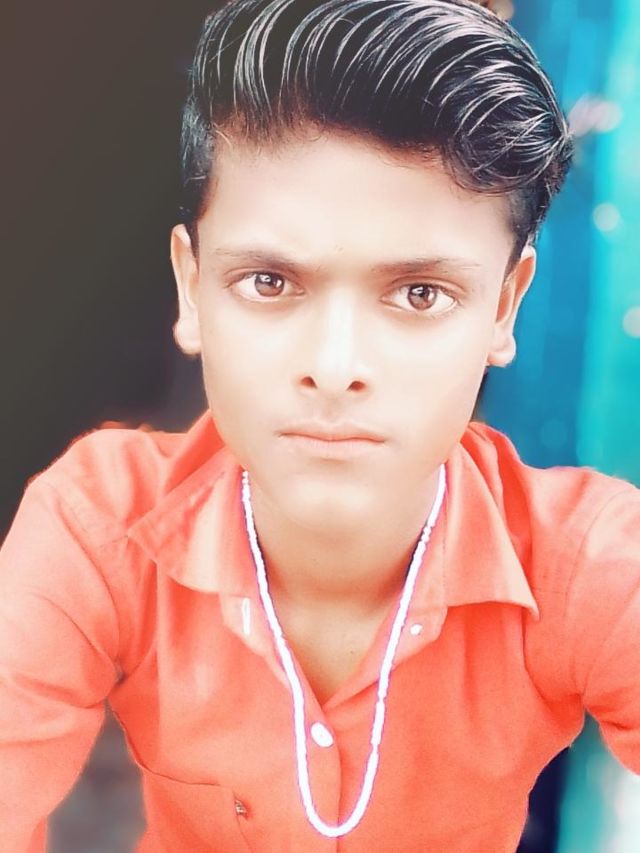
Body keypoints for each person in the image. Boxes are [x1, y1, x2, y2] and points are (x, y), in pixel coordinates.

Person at [1, 0, 638, 850]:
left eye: (419, 293)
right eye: (269, 282)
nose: (335, 366)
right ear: (192, 288)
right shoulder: (97, 526)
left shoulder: (586, 564)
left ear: (503, 306)